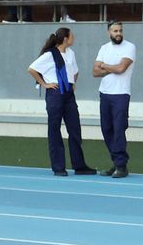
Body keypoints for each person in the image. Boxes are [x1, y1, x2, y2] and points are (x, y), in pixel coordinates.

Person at [26, 27, 95, 176]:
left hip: (68, 94)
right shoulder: (50, 55)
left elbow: (75, 72)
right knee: (55, 130)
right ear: (65, 38)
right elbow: (32, 69)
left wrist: (73, 84)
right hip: (55, 94)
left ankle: (79, 165)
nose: (74, 39)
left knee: (75, 129)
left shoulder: (71, 53)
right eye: (72, 36)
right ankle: (58, 167)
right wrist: (45, 84)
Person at [92, 21, 136, 178]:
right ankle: (117, 163)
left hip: (121, 95)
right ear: (108, 32)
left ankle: (121, 165)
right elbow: (95, 72)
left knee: (119, 129)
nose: (118, 33)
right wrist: (111, 67)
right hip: (105, 94)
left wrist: (104, 65)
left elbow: (121, 68)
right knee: (107, 130)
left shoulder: (129, 47)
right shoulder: (104, 48)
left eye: (120, 30)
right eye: (115, 30)